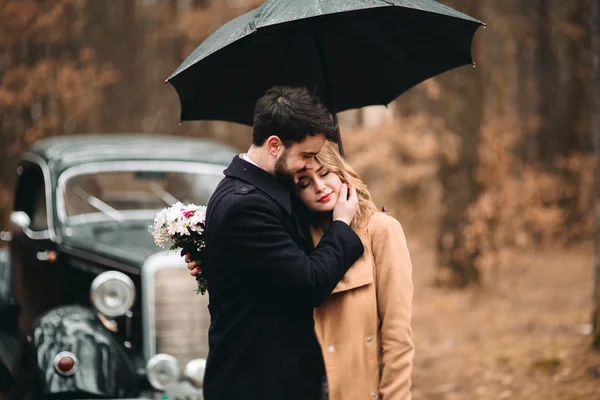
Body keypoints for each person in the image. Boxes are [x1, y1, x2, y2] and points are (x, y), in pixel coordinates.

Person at [186, 86, 365, 400]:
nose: (307, 165)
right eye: (306, 156)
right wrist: (341, 224)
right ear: (274, 145)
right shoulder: (248, 206)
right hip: (258, 384)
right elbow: (310, 282)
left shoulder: (257, 189)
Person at [294, 141, 415, 400]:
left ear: (341, 171)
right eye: (305, 183)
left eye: (325, 173)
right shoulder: (298, 241)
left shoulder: (380, 231)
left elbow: (397, 336)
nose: (320, 187)